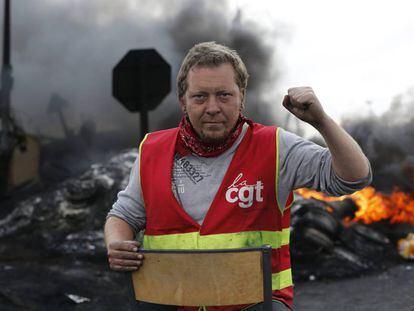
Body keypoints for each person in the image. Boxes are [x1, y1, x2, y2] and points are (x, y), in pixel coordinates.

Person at [104, 42, 372, 311]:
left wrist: (321, 121)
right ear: (182, 101)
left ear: (241, 97)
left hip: (255, 304)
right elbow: (124, 215)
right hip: (169, 302)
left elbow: (354, 178)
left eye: (224, 95)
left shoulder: (275, 147)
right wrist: (116, 242)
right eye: (200, 96)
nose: (212, 107)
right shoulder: (152, 150)